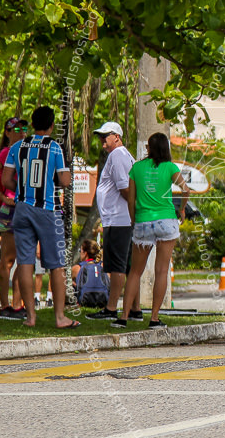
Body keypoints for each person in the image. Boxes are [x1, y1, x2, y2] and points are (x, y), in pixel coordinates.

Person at [0, 106, 75, 328]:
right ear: (51, 125)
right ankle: (60, 318)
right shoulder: (54, 148)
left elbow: (5, 180)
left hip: (22, 209)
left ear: (32, 124)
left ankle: (30, 317)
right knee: (57, 265)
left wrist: (23, 191)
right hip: (47, 209)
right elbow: (65, 180)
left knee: (25, 262)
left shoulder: (18, 146)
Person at [113, 133, 190, 330]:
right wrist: (181, 209)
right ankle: (154, 319)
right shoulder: (170, 167)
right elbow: (186, 189)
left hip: (142, 222)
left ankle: (123, 318)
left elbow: (131, 200)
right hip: (166, 221)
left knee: (135, 272)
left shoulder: (136, 168)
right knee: (162, 270)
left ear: (149, 148)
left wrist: (133, 219)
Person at [86, 121, 137, 320]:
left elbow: (126, 190)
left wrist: (134, 210)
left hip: (118, 219)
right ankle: (134, 309)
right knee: (127, 267)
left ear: (117, 136)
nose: (102, 141)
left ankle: (111, 308)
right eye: (100, 136)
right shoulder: (123, 155)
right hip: (119, 219)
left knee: (117, 267)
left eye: (105, 136)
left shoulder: (117, 155)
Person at [0, 118, 30, 318]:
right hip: (10, 210)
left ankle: (17, 305)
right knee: (7, 261)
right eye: (16, 129)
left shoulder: (28, 151)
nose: (21, 132)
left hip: (26, 207)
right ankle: (4, 306)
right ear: (7, 132)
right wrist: (3, 198)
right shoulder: (6, 152)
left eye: (24, 129)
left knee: (24, 260)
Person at [73, 239, 110, 308]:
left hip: (84, 301)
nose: (80, 253)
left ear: (85, 253)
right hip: (103, 300)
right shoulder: (103, 266)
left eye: (80, 251)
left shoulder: (78, 267)